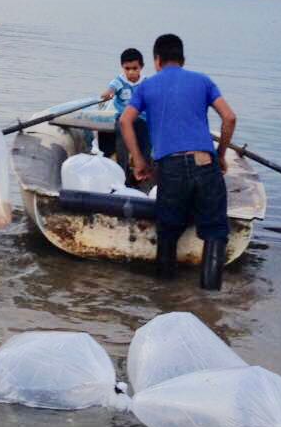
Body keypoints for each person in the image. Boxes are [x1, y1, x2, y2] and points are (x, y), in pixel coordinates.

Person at [120, 33, 237, 288]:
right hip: (205, 162)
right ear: (183, 59)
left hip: (170, 166)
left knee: (168, 232)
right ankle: (210, 296)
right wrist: (220, 155)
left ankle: (166, 296)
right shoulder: (203, 81)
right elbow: (229, 118)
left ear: (157, 60)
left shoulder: (146, 87)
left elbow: (125, 120)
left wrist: (139, 162)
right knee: (215, 232)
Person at [101, 47, 151, 181]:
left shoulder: (147, 83)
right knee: (122, 137)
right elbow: (111, 89)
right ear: (122, 67)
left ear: (141, 67)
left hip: (141, 119)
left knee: (146, 141)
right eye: (127, 69)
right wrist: (108, 93)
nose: (131, 72)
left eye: (135, 68)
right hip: (123, 118)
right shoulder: (119, 81)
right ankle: (122, 172)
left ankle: (143, 172)